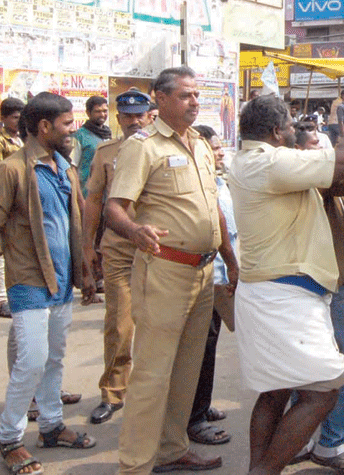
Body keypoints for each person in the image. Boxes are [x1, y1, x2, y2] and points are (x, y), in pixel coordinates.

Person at [227, 93, 344, 474]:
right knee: (325, 389)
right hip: (285, 296)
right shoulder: (269, 163)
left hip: (275, 293)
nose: (293, 132)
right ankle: (264, 471)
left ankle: (260, 470)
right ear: (275, 132)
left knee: (276, 392)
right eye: (288, 127)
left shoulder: (252, 162)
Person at [104, 66, 238, 474]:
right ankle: (135, 464)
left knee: (186, 369)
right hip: (164, 271)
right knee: (151, 374)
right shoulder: (142, 146)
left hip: (203, 272)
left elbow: (210, 205)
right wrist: (135, 231)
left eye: (197, 95)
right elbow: (113, 209)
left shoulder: (198, 143)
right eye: (185, 95)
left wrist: (230, 257)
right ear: (160, 100)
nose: (195, 102)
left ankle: (171, 448)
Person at [0, 92, 97, 475]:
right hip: (28, 280)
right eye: (67, 124)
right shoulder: (12, 169)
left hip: (62, 280)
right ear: (44, 127)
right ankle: (9, 438)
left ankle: (53, 426)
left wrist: (86, 272)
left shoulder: (64, 166)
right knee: (32, 361)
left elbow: (75, 222)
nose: (72, 130)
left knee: (54, 357)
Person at [290, 123, 344, 473]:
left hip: (322, 284)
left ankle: (304, 440)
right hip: (327, 286)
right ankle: (330, 444)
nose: (320, 151)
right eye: (312, 145)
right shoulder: (307, 178)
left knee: (308, 370)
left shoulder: (311, 179)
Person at [82, 90, 156, 426]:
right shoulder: (106, 152)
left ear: (151, 115)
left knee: (161, 326)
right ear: (118, 118)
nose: (135, 121)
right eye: (128, 116)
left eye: (141, 114)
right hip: (119, 249)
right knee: (119, 324)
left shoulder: (164, 148)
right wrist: (86, 249)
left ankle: (160, 393)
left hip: (160, 249)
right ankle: (113, 391)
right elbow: (94, 202)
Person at [187, 125, 233, 446]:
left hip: (220, 278)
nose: (218, 153)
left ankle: (201, 407)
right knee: (199, 349)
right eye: (213, 148)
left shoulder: (220, 183)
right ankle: (193, 418)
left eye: (219, 148)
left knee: (209, 346)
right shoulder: (199, 186)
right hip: (204, 278)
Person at [0, 97, 25, 319]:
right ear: (3, 118)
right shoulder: (2, 141)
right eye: (15, 118)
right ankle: (1, 299)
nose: (18, 122)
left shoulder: (23, 140)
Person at [71, 95, 111, 196]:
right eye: (98, 111)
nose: (102, 114)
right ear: (88, 113)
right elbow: (72, 168)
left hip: (105, 195)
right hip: (86, 194)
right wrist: (79, 198)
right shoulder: (79, 136)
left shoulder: (107, 135)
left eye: (105, 111)